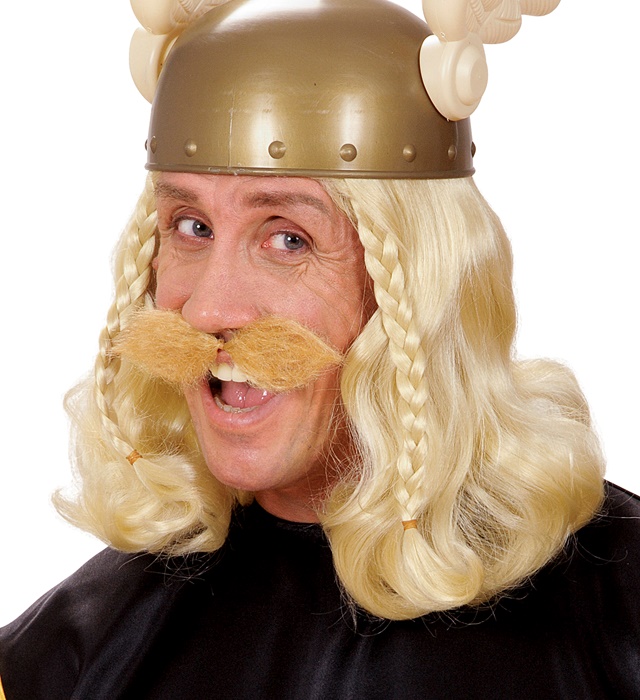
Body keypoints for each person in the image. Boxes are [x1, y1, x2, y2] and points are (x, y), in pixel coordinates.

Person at [1, 0, 638, 697]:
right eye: (190, 227)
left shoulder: (617, 609)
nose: (209, 309)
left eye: (288, 239)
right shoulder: (90, 644)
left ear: (421, 282)